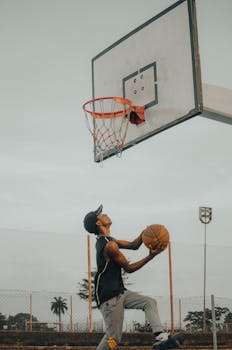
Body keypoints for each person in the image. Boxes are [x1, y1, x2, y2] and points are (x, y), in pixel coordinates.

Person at [83, 204, 176, 350]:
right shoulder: (109, 246)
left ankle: (160, 337)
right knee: (113, 338)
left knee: (149, 302)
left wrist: (146, 232)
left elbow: (133, 245)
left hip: (120, 292)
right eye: (100, 214)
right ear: (98, 222)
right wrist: (151, 256)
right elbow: (129, 268)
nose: (105, 214)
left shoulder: (110, 240)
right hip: (109, 299)